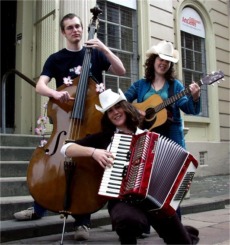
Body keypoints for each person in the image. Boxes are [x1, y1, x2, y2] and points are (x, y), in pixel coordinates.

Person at [13, 12, 126, 241]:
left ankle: (83, 222)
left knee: (86, 165)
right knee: (53, 164)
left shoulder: (95, 54)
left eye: (77, 26)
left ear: (83, 29)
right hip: (65, 120)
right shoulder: (56, 59)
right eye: (70, 27)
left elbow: (121, 71)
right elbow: (40, 85)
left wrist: (104, 48)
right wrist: (56, 93)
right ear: (64, 32)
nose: (75, 30)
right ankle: (38, 207)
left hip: (91, 123)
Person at [60, 88, 200, 244]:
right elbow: (66, 149)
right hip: (122, 200)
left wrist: (181, 185)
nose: (115, 112)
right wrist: (94, 152)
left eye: (117, 107)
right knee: (127, 220)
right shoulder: (105, 138)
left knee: (183, 242)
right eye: (110, 111)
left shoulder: (148, 136)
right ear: (107, 116)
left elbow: (172, 171)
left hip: (154, 201)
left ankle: (186, 233)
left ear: (125, 108)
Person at [124, 40, 200, 236]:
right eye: (160, 59)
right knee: (146, 184)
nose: (163, 63)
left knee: (172, 185)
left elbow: (189, 108)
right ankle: (144, 226)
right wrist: (138, 112)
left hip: (171, 139)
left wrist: (195, 97)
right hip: (147, 139)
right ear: (153, 60)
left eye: (167, 60)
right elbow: (123, 101)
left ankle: (176, 228)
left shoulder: (176, 86)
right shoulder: (141, 85)